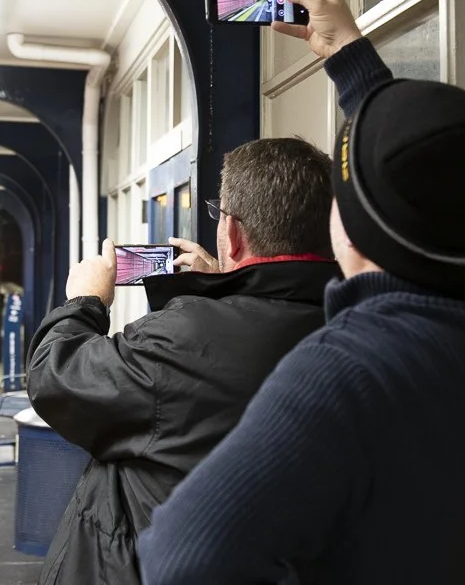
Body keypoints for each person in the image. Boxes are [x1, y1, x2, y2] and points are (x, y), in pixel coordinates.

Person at [137, 0, 465, 585]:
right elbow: (444, 191)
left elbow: (181, 557)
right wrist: (348, 56)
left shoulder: (346, 371)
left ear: (349, 225)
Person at [25, 137, 341, 585]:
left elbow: (56, 378)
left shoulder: (181, 339)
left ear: (231, 234)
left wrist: (85, 301)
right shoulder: (359, 326)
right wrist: (224, 289)